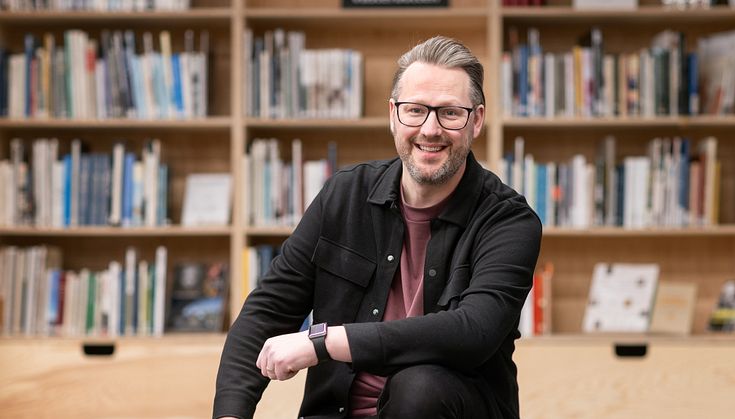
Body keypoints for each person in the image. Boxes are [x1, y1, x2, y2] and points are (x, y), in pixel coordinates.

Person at [213, 35, 542, 419]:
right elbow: (267, 312)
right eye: (415, 110)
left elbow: (473, 331)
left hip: (444, 408)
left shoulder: (508, 220)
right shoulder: (344, 194)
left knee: (419, 386)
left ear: (477, 120)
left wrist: (324, 342)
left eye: (450, 113)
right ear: (392, 114)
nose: (430, 129)